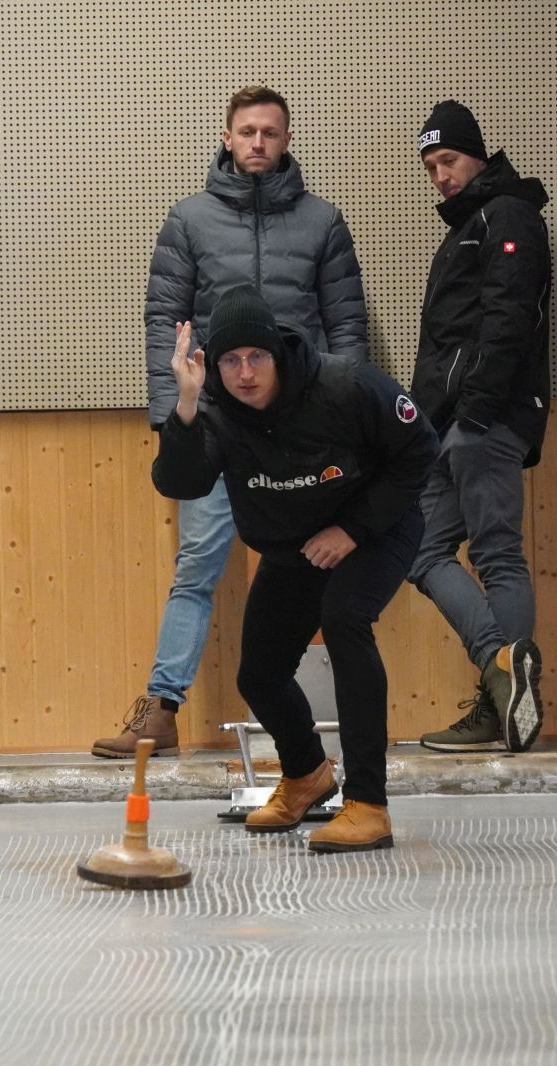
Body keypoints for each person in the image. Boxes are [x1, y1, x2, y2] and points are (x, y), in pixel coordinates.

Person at [93, 85, 369, 759]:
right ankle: (161, 711)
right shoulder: (189, 221)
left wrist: (344, 419)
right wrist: (175, 421)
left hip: (302, 433)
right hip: (218, 427)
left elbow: (346, 327)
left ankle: (315, 724)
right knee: (197, 567)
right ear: (227, 137)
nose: (258, 142)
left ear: (287, 140)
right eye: (247, 131)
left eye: (270, 132)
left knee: (313, 572)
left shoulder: (323, 222)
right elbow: (165, 323)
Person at [152, 285, 436, 851]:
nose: (245, 373)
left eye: (257, 356)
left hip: (375, 528)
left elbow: (420, 450)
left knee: (345, 620)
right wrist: (185, 402)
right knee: (259, 674)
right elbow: (181, 482)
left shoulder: (346, 386)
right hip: (294, 546)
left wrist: (353, 529)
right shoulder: (214, 411)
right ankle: (306, 774)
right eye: (231, 361)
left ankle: (368, 804)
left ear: (278, 353)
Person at [407, 101, 552, 754]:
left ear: (477, 154)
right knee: (419, 548)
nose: (440, 175)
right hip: (449, 425)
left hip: (484, 419)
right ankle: (502, 671)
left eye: (449, 160)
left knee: (496, 555)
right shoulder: (469, 224)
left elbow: (509, 318)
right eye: (430, 166)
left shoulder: (508, 215)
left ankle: (502, 700)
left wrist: (475, 412)